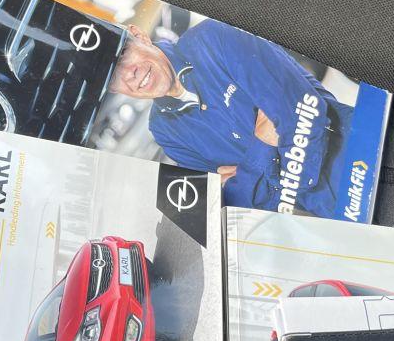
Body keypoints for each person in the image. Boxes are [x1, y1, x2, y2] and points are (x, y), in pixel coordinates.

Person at [107, 19, 352, 214]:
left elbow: (305, 120)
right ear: (115, 90)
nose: (129, 74)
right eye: (113, 77)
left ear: (139, 36)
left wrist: (250, 176)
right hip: (338, 216)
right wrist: (263, 143)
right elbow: (235, 207)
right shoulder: (164, 131)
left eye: (123, 54)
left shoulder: (213, 39)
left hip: (361, 153)